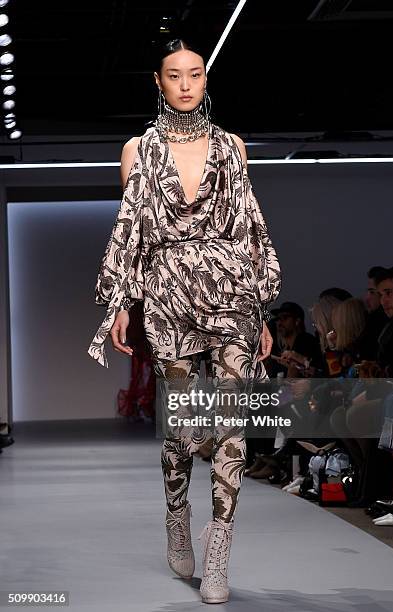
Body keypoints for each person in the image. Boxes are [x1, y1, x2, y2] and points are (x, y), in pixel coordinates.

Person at [87, 39, 281, 604]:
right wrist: (120, 302)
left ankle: (219, 546)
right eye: (175, 75)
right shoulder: (138, 151)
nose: (187, 84)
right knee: (182, 421)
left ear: (205, 78)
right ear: (159, 81)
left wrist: (262, 310)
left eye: (195, 73)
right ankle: (178, 512)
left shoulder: (231, 147)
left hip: (232, 294)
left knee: (231, 422)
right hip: (167, 294)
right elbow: (131, 233)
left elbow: (249, 230)